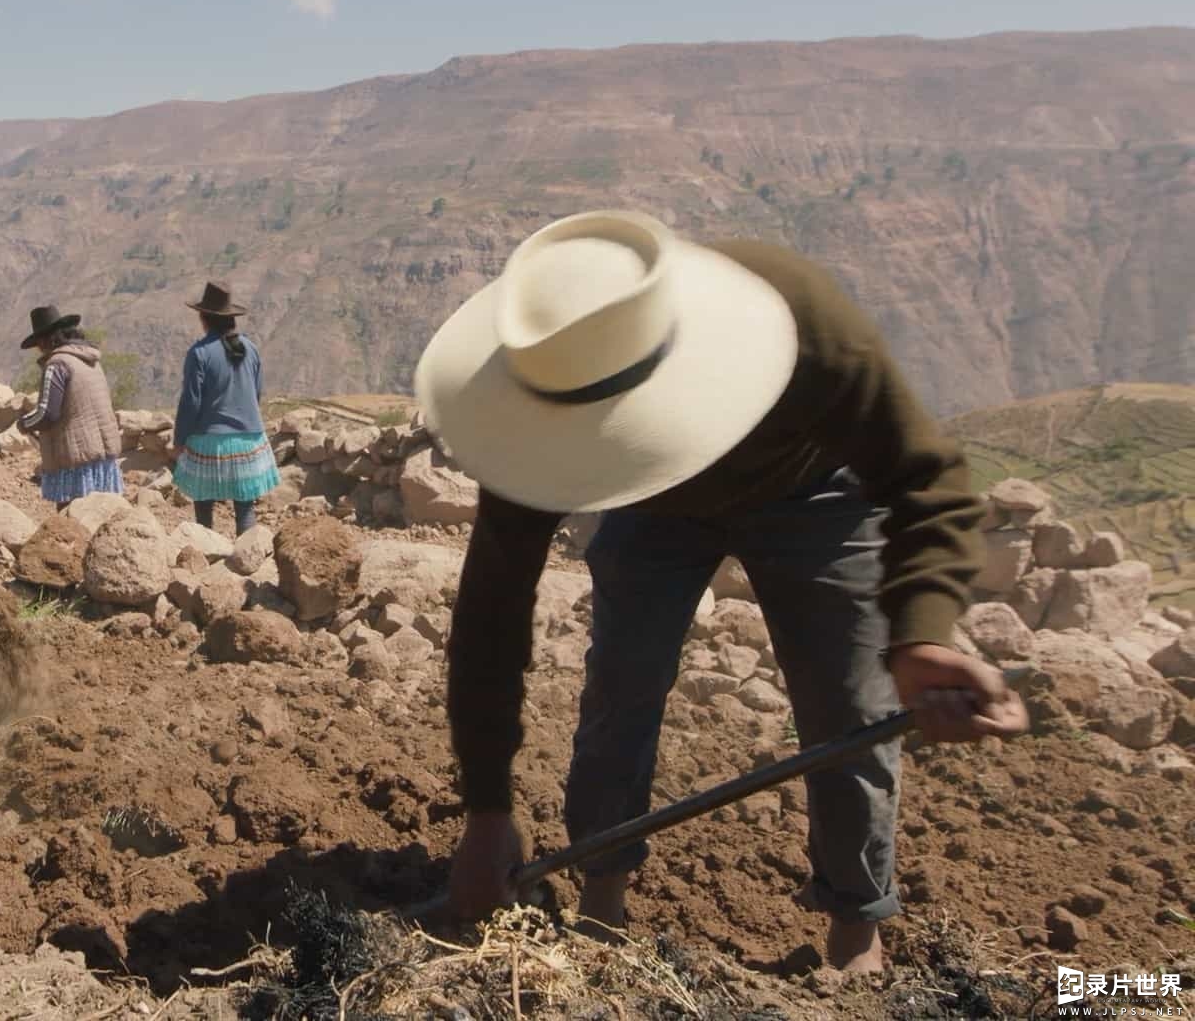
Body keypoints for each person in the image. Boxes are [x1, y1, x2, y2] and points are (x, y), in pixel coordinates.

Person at [418, 210, 1029, 972]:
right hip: (649, 503)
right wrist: (485, 812)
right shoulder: (545, 401)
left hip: (812, 494)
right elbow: (492, 609)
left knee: (848, 700)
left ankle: (854, 926)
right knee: (621, 684)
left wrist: (923, 633)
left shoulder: (797, 316)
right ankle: (599, 903)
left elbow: (924, 474)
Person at [170, 281, 278, 537]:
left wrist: (180, 439)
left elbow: (191, 402)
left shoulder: (200, 353)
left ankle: (204, 553)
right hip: (250, 441)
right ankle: (246, 557)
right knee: (244, 506)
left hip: (210, 442)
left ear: (203, 317)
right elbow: (256, 393)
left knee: (203, 501)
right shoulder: (251, 349)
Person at [15, 305, 123, 510]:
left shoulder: (56, 364)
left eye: (38, 342)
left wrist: (24, 423)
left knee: (71, 522)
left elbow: (47, 413)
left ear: (46, 339)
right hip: (103, 458)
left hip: (76, 462)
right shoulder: (90, 359)